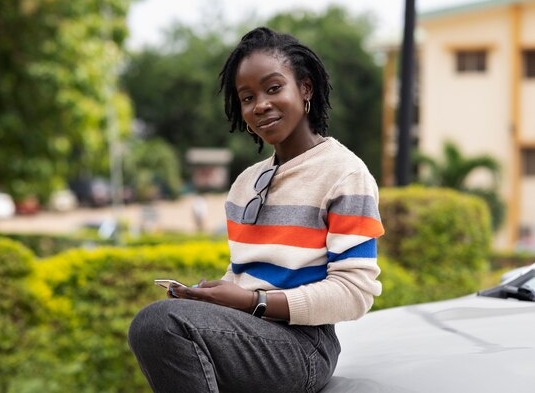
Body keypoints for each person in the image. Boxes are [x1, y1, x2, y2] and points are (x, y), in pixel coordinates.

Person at [128, 26, 384, 393]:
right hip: (252, 334)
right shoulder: (245, 185)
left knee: (157, 324)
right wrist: (213, 295)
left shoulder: (345, 173)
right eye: (247, 97)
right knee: (160, 323)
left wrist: (254, 302)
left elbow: (355, 293)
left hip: (305, 346)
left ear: (306, 88)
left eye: (274, 88)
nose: (260, 104)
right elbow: (246, 274)